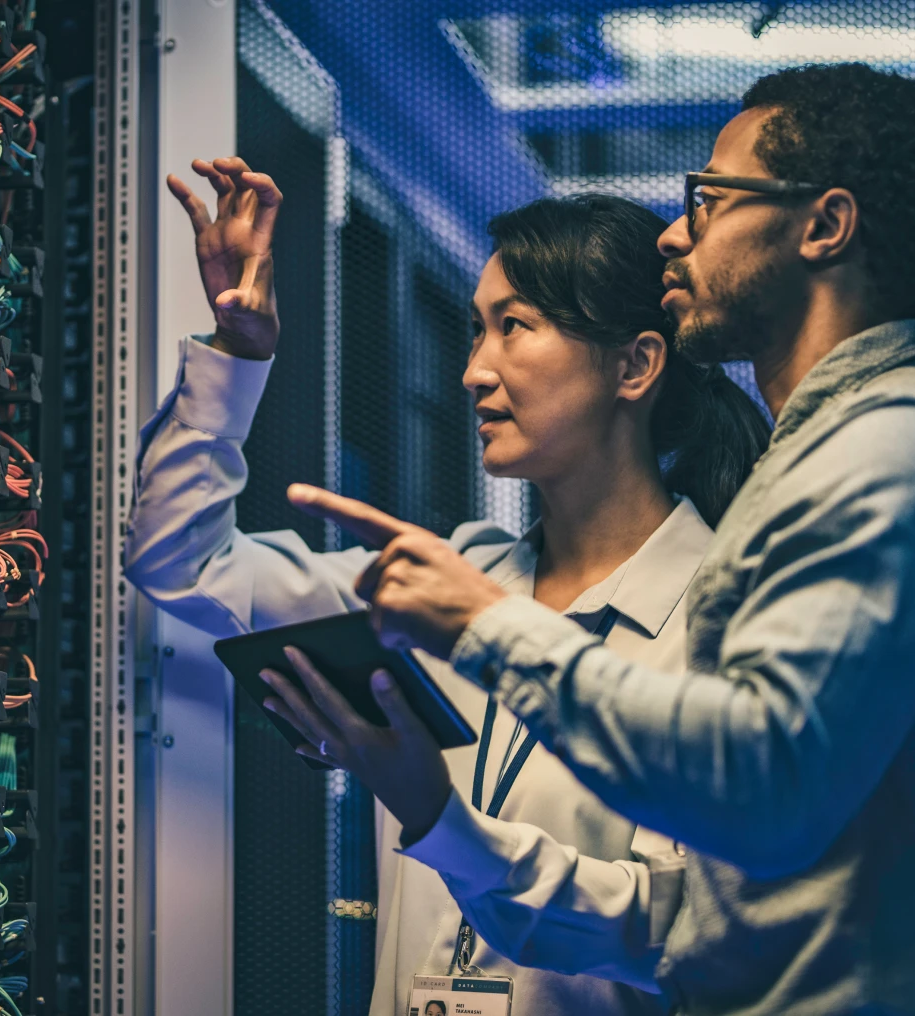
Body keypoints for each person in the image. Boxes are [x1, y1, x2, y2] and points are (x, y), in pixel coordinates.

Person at [281, 62, 915, 1016]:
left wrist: (485, 626)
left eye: (708, 201)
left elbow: (760, 778)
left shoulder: (904, 442)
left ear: (824, 227)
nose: (675, 234)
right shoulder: (817, 462)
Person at [123, 158, 769, 1015]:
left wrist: (437, 815)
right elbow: (182, 561)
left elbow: (666, 930)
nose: (474, 369)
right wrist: (237, 356)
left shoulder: (720, 622)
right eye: (475, 329)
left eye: (515, 326)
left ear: (635, 365)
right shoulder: (453, 581)